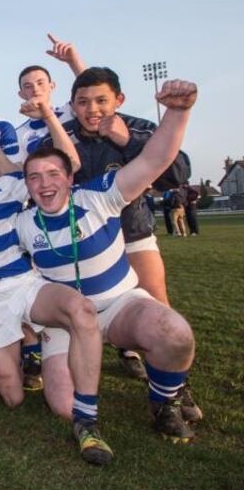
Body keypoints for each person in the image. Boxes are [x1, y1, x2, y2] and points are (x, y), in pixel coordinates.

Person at [16, 79, 201, 444]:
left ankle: (165, 400)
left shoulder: (98, 195)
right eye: (34, 178)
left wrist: (178, 113)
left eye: (54, 174)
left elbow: (153, 160)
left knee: (175, 333)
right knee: (63, 407)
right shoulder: (21, 223)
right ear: (26, 186)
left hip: (119, 306)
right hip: (66, 324)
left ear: (70, 177)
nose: (45, 184)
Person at [0, 131, 114, 465]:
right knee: (12, 397)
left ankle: (84, 411)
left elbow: (73, 163)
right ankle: (30, 345)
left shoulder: (12, 185)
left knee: (79, 308)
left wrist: (49, 114)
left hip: (23, 282)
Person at [38, 67, 191, 379]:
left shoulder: (137, 129)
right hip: (84, 241)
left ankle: (173, 393)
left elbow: (176, 174)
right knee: (83, 307)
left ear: (119, 100)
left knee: (158, 307)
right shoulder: (59, 138)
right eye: (83, 102)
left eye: (101, 100)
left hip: (131, 231)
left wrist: (128, 141)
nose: (92, 109)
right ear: (72, 104)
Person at [13, 34, 86, 162]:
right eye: (28, 86)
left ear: (52, 86)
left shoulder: (70, 111)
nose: (35, 89)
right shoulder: (19, 134)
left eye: (40, 83)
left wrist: (73, 61)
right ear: (21, 94)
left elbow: (91, 88)